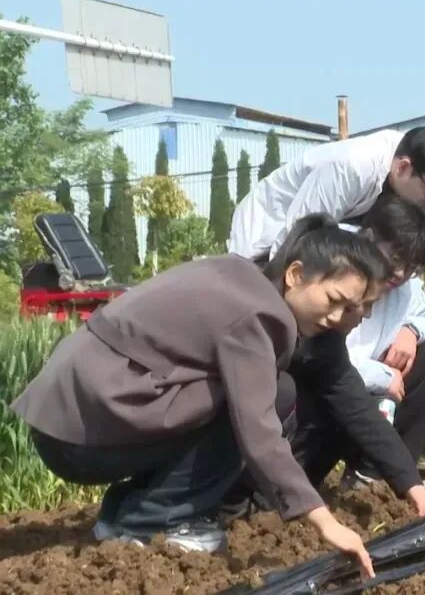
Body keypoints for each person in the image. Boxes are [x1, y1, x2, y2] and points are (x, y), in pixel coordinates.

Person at [11, 215, 388, 578]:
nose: (339, 317)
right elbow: (259, 432)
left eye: (353, 309)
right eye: (334, 299)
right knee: (258, 400)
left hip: (66, 421)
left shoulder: (238, 275)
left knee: (267, 391)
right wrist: (323, 519)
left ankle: (122, 514)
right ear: (296, 275)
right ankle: (153, 523)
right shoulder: (261, 315)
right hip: (83, 437)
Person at [222, 195, 425, 519]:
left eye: (364, 306)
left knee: (340, 400)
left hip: (277, 438)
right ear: (296, 275)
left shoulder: (324, 339)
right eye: (347, 303)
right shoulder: (253, 312)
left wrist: (416, 492)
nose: (362, 316)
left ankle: (271, 496)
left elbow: (357, 408)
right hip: (170, 423)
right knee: (284, 393)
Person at [337, 193, 425, 489]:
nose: (400, 273)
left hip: (370, 396)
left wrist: (410, 331)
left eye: (410, 267)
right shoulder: (336, 268)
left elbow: (423, 311)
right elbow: (326, 360)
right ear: (370, 238)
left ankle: (387, 475)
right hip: (327, 395)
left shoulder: (402, 283)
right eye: (396, 260)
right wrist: (383, 376)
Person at [229, 126, 425, 261]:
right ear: (403, 167)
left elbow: (413, 254)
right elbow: (297, 235)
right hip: (270, 228)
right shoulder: (351, 166)